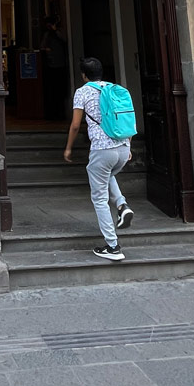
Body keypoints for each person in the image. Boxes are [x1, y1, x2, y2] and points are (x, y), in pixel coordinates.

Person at [63, 56, 133, 261]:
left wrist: (68, 148)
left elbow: (76, 125)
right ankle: (122, 205)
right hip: (123, 146)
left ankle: (113, 246)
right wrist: (129, 145)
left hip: (102, 150)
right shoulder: (115, 88)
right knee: (107, 174)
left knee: (100, 199)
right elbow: (126, 116)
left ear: (84, 75)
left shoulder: (82, 91)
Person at [38, 15, 68, 120]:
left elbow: (65, 40)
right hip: (51, 65)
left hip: (59, 65)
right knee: (52, 91)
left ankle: (60, 114)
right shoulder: (47, 34)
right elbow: (42, 46)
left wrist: (56, 30)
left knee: (59, 90)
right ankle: (52, 114)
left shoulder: (59, 33)